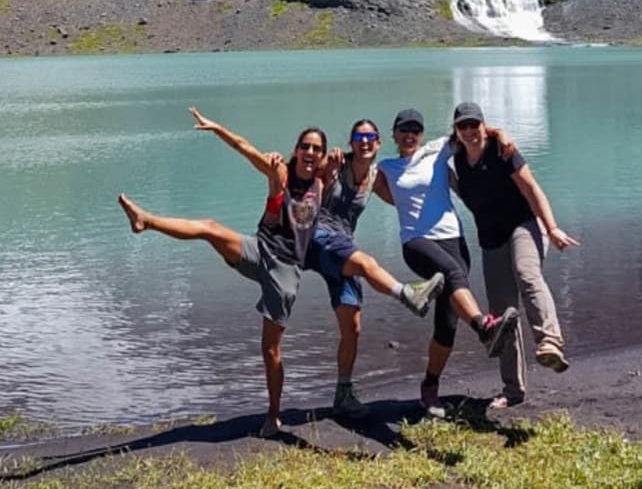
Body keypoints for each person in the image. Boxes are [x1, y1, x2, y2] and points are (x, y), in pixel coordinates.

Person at [118, 107, 443, 438]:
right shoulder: (283, 173)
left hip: (287, 268)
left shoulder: (328, 179)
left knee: (284, 345)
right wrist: (217, 128)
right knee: (211, 228)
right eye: (306, 147)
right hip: (262, 250)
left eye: (317, 149)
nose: (312, 153)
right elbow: (246, 149)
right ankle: (146, 220)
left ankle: (286, 411)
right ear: (297, 149)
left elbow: (383, 182)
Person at [374, 106, 518, 413]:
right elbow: (364, 183)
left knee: (446, 323)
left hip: (453, 239)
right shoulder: (385, 167)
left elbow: (474, 134)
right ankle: (484, 327)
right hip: (416, 241)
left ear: (422, 134)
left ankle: (430, 387)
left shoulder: (437, 150)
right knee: (452, 272)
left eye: (415, 130)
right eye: (403, 130)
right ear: (394, 135)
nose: (409, 135)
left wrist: (501, 134)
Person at [448, 100, 578, 410]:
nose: (469, 131)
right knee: (501, 313)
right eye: (463, 126)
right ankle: (513, 389)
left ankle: (550, 341)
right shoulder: (454, 161)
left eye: (474, 125)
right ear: (456, 131)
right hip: (490, 240)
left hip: (524, 226)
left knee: (526, 272)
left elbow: (532, 189)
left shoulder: (502, 151)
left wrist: (553, 228)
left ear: (483, 125)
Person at [309, 117, 394, 417]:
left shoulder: (375, 178)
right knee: (365, 264)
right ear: (351, 142)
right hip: (319, 240)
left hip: (344, 244)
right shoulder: (336, 164)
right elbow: (311, 188)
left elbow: (403, 199)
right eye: (359, 137)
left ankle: (343, 392)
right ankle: (407, 294)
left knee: (352, 326)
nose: (365, 141)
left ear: (379, 143)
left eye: (371, 136)